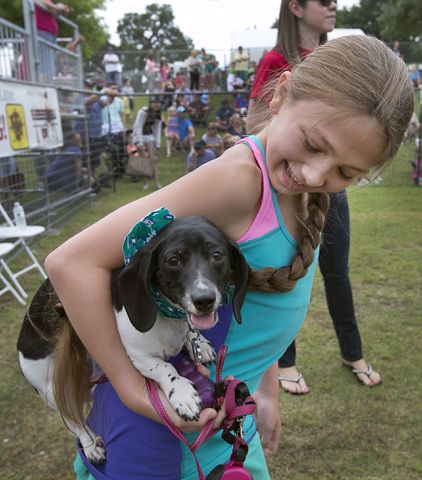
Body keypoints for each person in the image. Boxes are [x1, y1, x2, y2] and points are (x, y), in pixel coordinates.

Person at [45, 35, 413, 479]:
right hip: (163, 436)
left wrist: (267, 388)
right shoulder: (238, 180)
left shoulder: (303, 195)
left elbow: (251, 305)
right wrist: (132, 391)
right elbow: (71, 263)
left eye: (346, 173)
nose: (316, 174)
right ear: (280, 95)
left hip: (226, 424)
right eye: (314, 145)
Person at [248, 0, 383, 394]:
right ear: (295, 6)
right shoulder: (275, 60)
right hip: (288, 190)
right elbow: (256, 125)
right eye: (324, 1)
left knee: (338, 275)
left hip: (328, 193)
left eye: (336, 2)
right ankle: (285, 363)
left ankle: (352, 353)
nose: (333, 7)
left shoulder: (333, 60)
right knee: (289, 274)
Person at [132, 96, 162, 190]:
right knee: (143, 159)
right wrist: (139, 142)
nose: (156, 104)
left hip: (149, 136)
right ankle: (146, 183)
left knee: (152, 159)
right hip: (140, 136)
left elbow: (157, 129)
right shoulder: (143, 112)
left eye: (158, 103)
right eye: (154, 102)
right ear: (151, 103)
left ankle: (157, 183)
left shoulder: (158, 114)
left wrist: (157, 144)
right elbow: (138, 126)